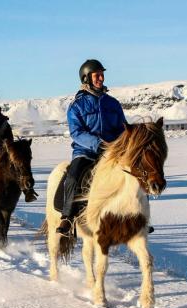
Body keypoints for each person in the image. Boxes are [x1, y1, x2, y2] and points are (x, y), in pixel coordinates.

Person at [56, 59, 127, 236]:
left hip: (113, 151)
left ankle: (138, 216)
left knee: (135, 172)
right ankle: (67, 217)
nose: (101, 78)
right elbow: (76, 132)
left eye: (102, 74)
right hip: (86, 151)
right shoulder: (77, 105)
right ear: (86, 78)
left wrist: (122, 143)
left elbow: (122, 127)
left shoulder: (113, 103)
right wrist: (98, 144)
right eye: (97, 75)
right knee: (73, 175)